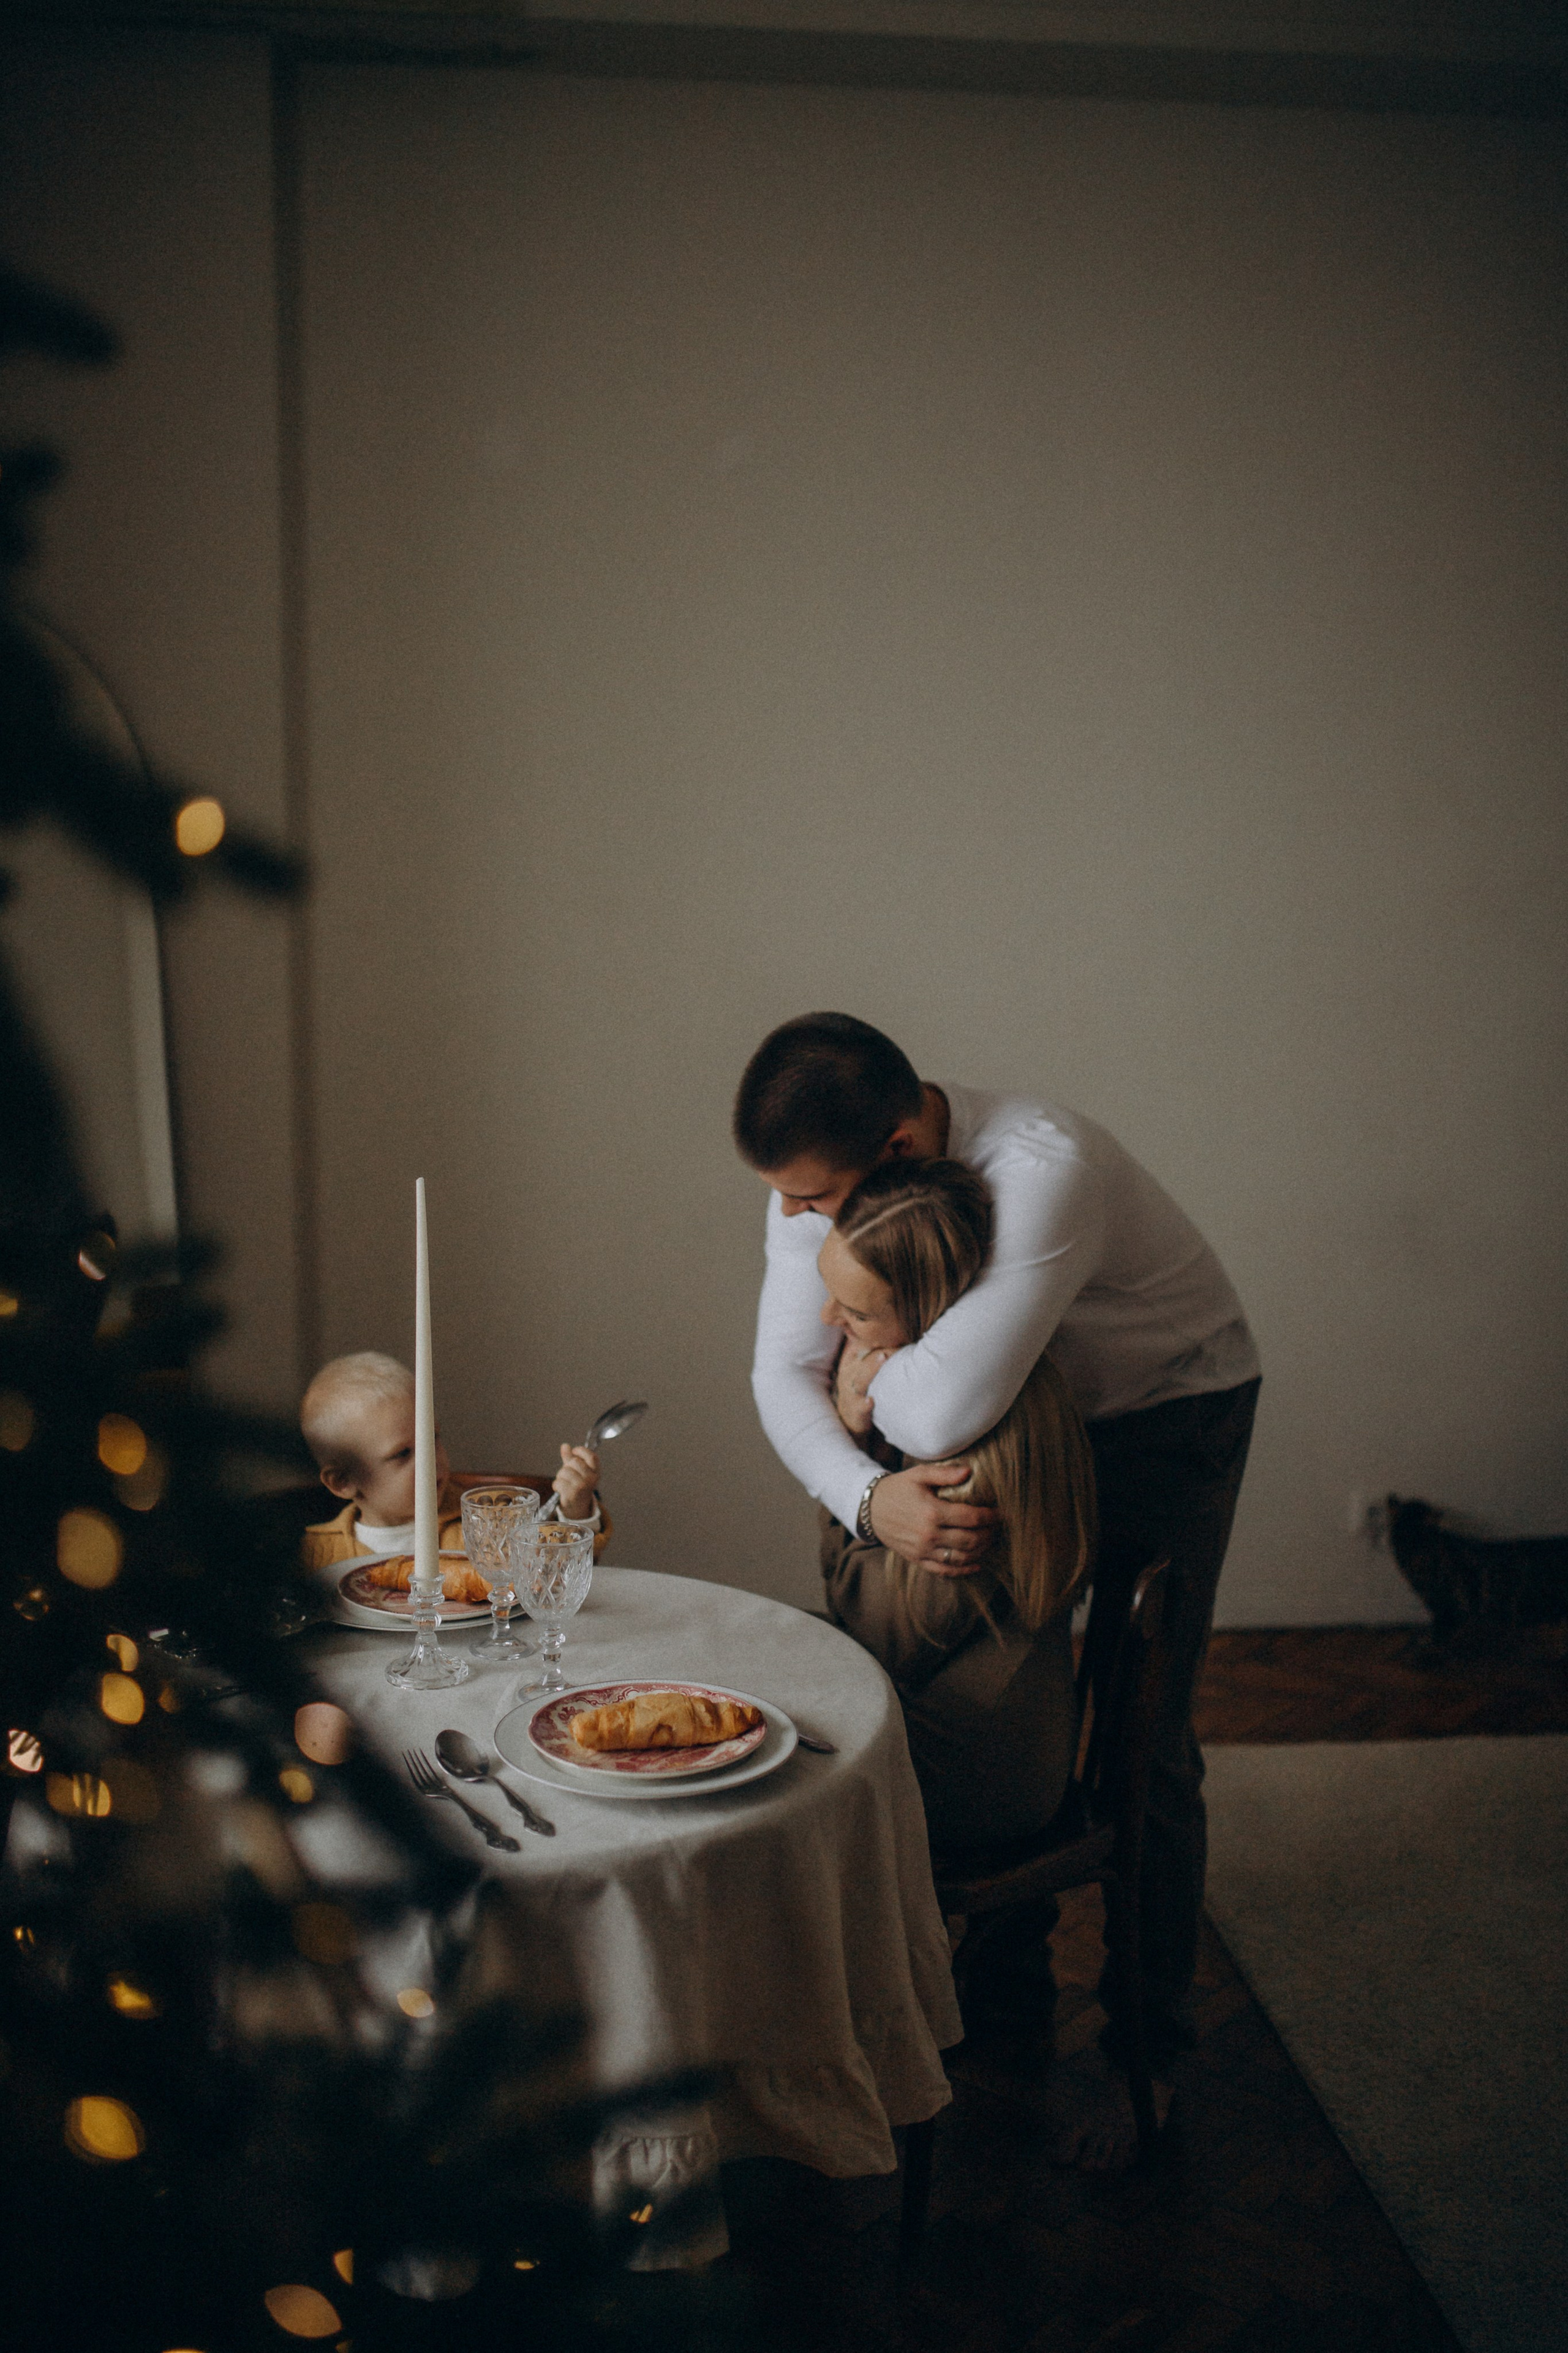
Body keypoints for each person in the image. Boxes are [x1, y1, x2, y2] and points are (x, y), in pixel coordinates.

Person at [736, 1012, 1261, 2160]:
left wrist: (864, 1394)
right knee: (1004, 1686)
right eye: (785, 1199)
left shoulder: (1044, 1169)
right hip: (1016, 1419)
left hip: (1166, 1411)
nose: (793, 1220)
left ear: (898, 1150)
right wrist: (868, 1499)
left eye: (813, 1199)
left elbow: (934, 1409)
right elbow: (782, 1373)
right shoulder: (821, 1189)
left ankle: (1151, 2047)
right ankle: (1005, 2003)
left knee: (1145, 1734)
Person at [816, 1160, 1095, 1868]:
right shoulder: (982, 1389)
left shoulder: (982, 1442)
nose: (828, 1322)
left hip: (977, 1771)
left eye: (855, 1312)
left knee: (764, 1779)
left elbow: (878, 1629)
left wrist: (848, 1449)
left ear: (925, 1311)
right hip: (956, 1715)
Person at [298, 1351, 610, 1570]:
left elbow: (558, 1571)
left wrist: (576, 1509)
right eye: (403, 1454)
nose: (430, 1461)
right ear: (343, 1482)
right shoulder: (317, 1555)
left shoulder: (486, 1524)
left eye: (432, 1438)